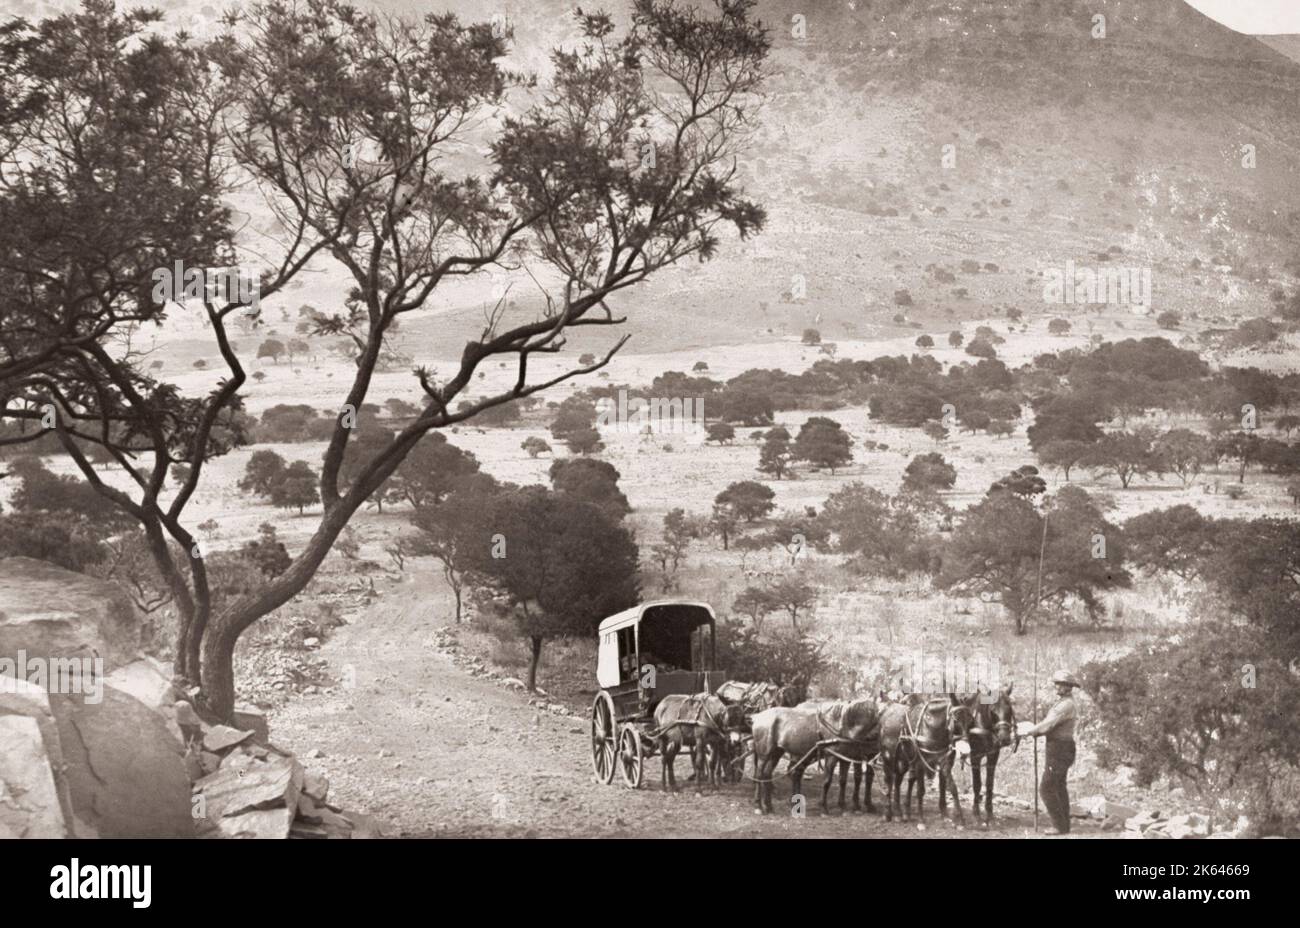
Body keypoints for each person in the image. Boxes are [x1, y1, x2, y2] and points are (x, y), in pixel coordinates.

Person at [1018, 670, 1079, 835]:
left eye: (1060, 684)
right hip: (1059, 747)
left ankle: (1059, 826)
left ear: (1068, 687)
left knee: (1047, 788)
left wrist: (1028, 732)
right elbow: (1048, 724)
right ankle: (1064, 826)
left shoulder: (1065, 705)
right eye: (1056, 683)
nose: (1056, 686)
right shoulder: (1063, 702)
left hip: (1060, 748)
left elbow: (1048, 725)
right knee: (1059, 786)